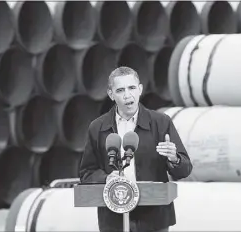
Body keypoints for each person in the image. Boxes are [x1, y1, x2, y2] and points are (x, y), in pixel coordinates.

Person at [79, 66, 193, 232]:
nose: (127, 95)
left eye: (132, 88)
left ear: (140, 90)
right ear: (111, 94)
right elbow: (86, 173)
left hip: (154, 220)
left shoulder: (161, 122)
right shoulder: (97, 128)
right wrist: (106, 179)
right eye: (120, 90)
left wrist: (174, 158)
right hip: (113, 221)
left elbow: (185, 170)